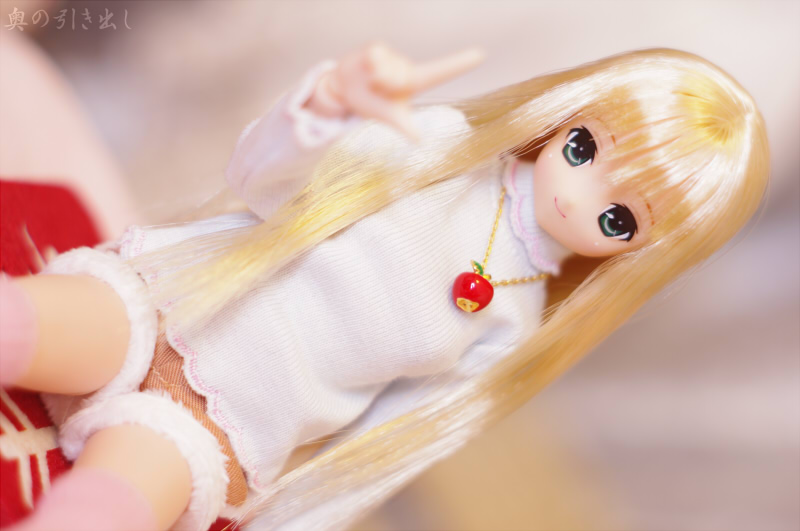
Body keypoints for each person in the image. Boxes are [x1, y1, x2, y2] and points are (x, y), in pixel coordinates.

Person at [0, 44, 769, 531]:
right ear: (574, 109)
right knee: (23, 324)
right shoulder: (438, 148)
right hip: (170, 303)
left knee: (105, 508)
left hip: (221, 430)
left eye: (617, 217)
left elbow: (377, 444)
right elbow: (264, 186)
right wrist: (323, 112)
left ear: (638, 253)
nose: (579, 196)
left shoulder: (511, 327)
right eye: (585, 148)